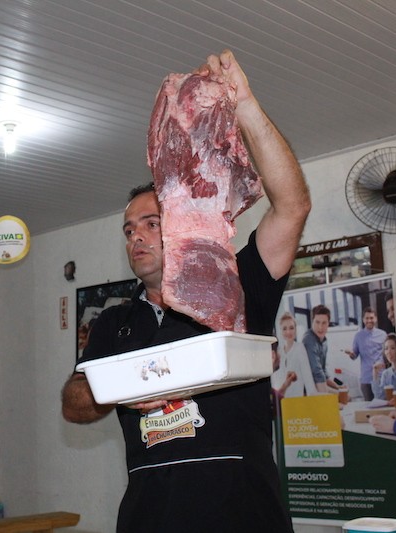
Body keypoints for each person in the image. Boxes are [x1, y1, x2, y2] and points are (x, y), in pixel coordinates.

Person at [61, 49, 311, 532]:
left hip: (245, 517)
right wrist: (124, 389)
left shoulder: (237, 283)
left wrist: (246, 106)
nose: (136, 237)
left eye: (150, 223)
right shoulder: (115, 322)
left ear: (184, 216)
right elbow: (74, 403)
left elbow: (293, 206)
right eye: (129, 230)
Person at [344, 307, 387, 401]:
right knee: (368, 407)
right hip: (366, 379)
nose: (369, 320)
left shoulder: (383, 335)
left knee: (384, 405)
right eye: (367, 318)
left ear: (376, 319)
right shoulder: (358, 336)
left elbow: (387, 355)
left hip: (381, 377)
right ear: (363, 320)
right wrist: (351, 354)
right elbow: (354, 355)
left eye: (371, 318)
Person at [272, 312, 318, 397]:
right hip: (280, 399)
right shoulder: (279, 351)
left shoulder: (300, 348)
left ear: (295, 330)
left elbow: (308, 378)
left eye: (291, 328)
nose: (288, 332)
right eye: (284, 329)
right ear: (280, 331)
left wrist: (314, 399)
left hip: (295, 400)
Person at [302, 304, 339, 393]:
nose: (320, 327)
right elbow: (317, 372)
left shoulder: (324, 341)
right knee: (340, 397)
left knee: (342, 394)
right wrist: (336, 394)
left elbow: (323, 371)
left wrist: (338, 387)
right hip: (305, 391)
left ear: (328, 323)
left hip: (316, 387)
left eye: (324, 323)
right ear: (312, 322)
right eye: (317, 322)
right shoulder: (309, 340)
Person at [372, 333, 396, 401]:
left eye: (392, 348)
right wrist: (375, 374)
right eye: (386, 348)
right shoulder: (386, 374)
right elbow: (379, 397)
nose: (388, 352)